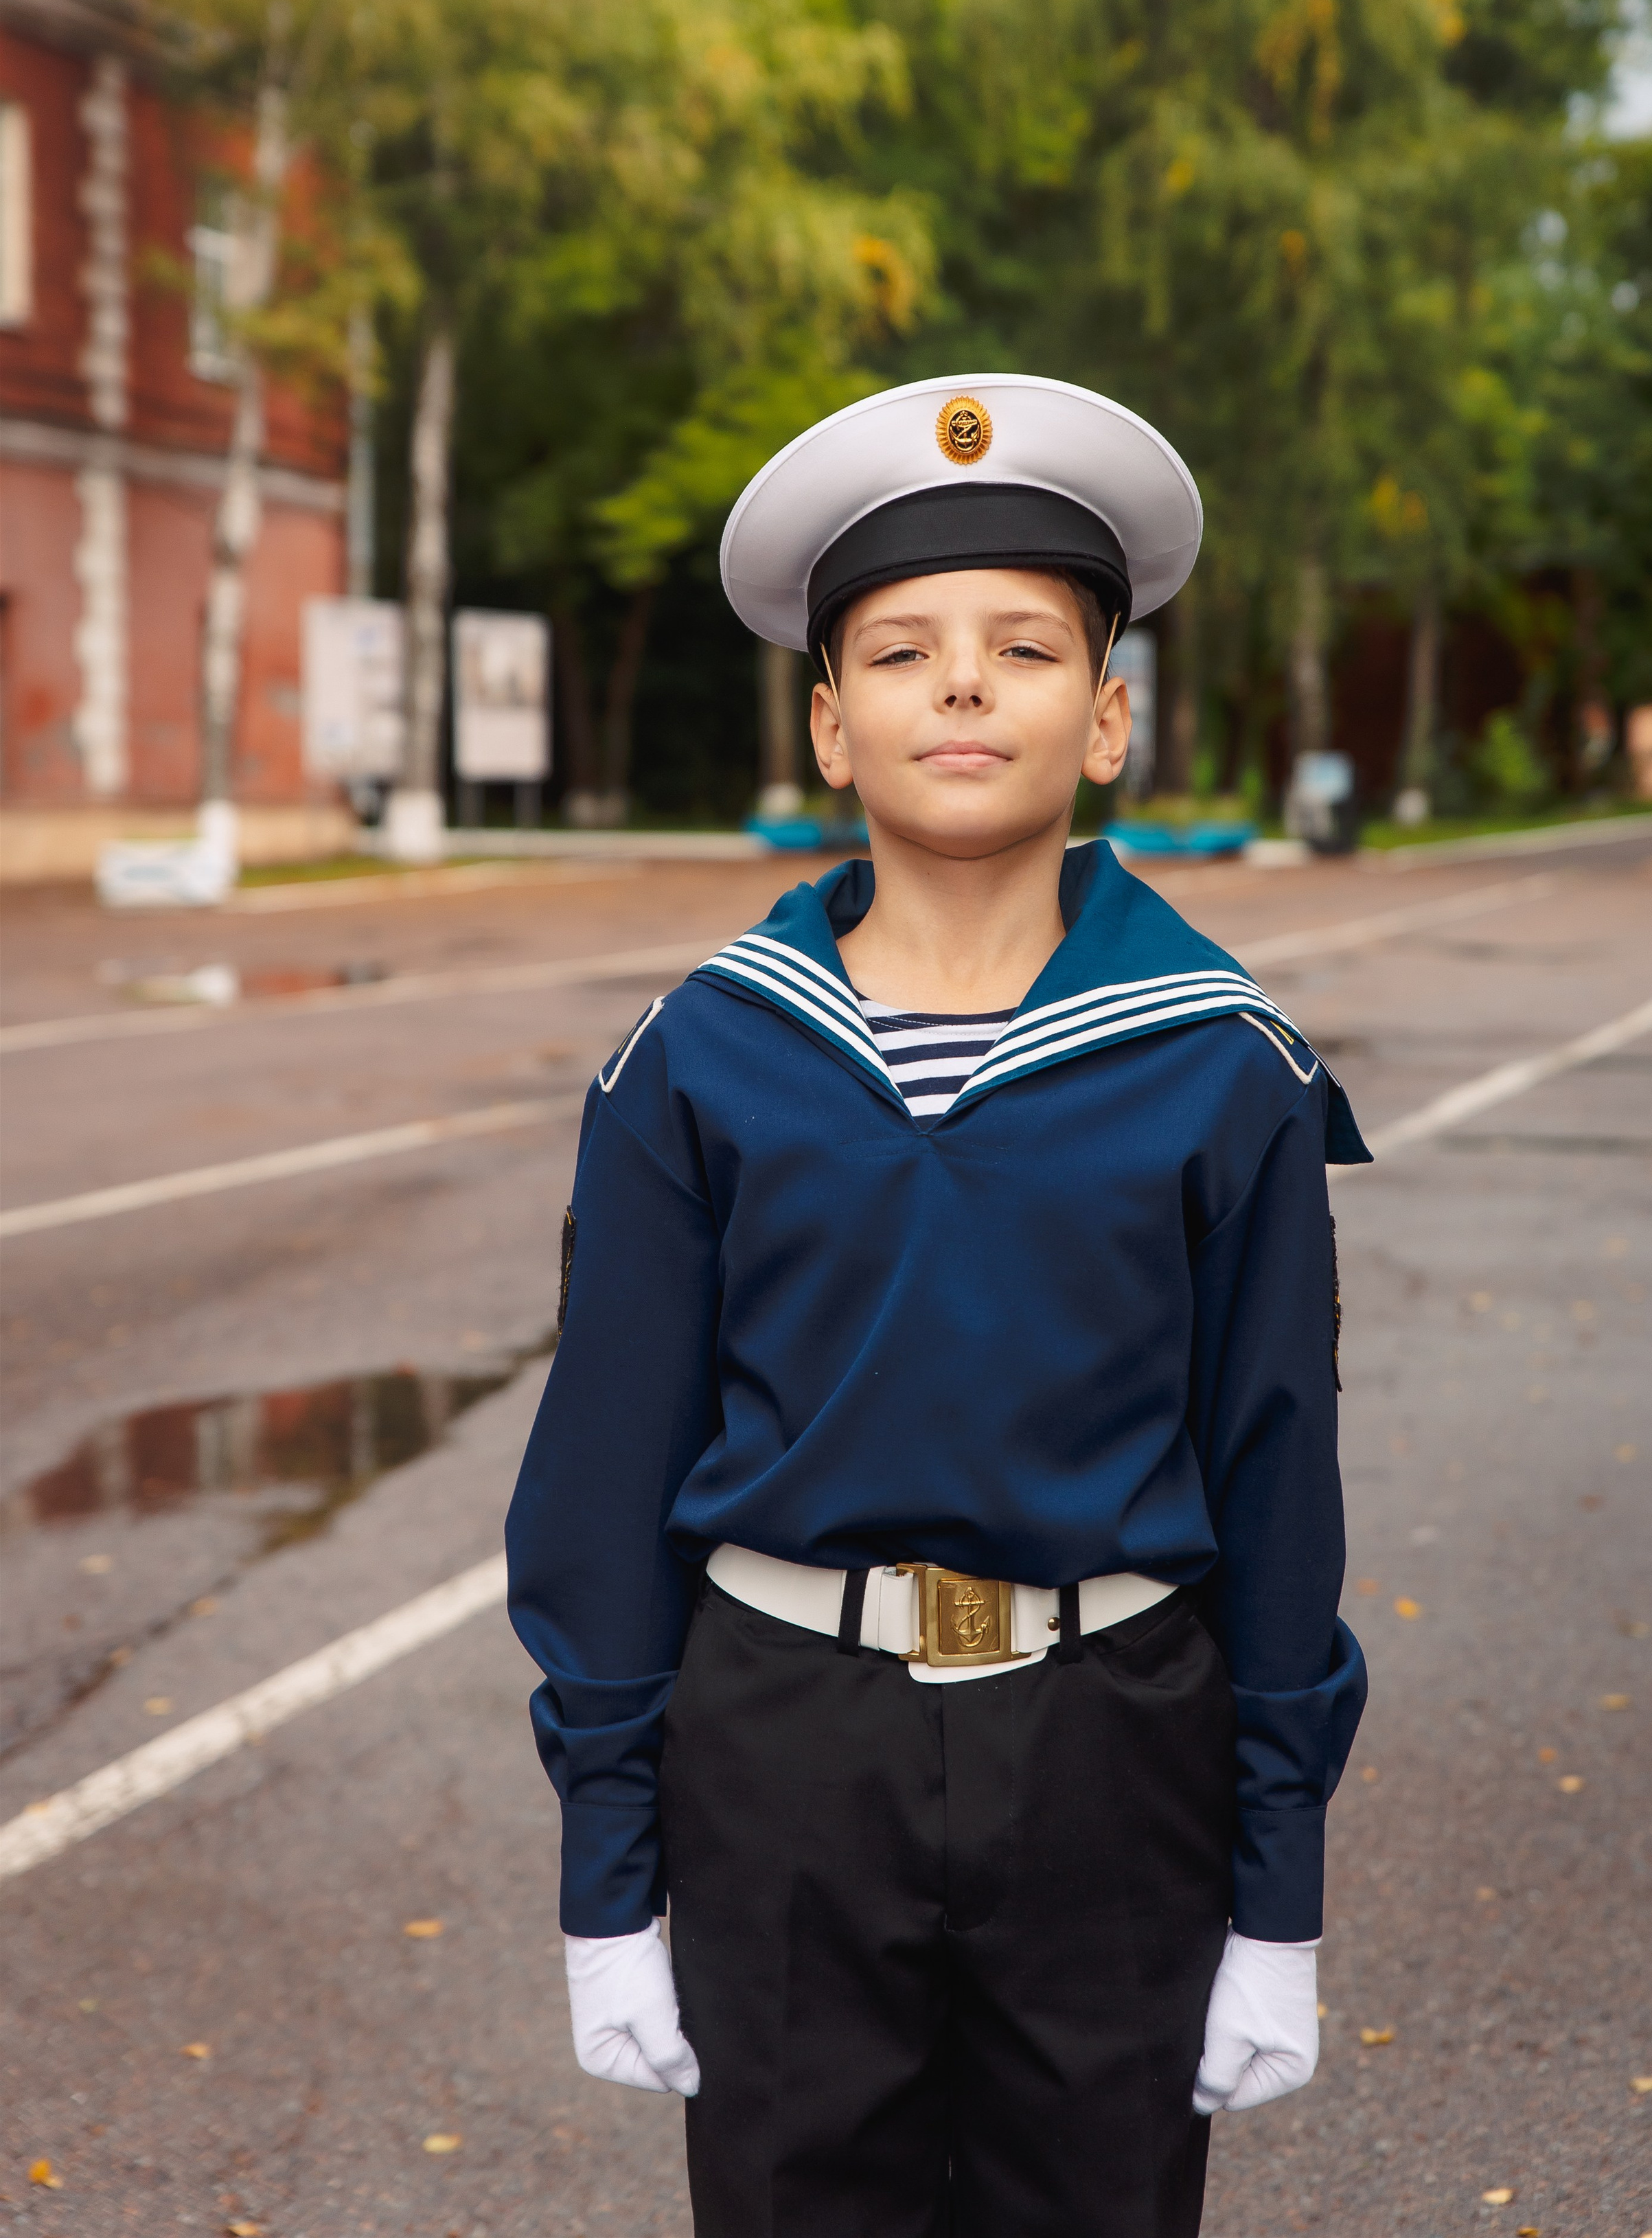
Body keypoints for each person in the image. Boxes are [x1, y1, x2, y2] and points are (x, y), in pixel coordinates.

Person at [506, 374, 1370, 2238]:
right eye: (900, 649)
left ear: (1110, 715)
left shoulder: (1227, 1067)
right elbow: (603, 1473)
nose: (963, 685)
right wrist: (611, 1875)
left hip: (1113, 1745)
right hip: (784, 1751)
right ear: (831, 722)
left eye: (1027, 646)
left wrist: (1277, 1891)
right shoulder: (698, 1062)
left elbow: (1281, 1481)